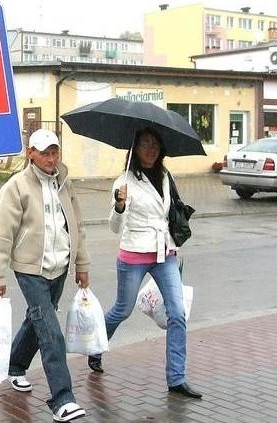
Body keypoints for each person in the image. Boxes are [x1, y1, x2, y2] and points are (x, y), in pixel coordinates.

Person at [87, 126, 202, 399]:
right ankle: (95, 347)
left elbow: (168, 213)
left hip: (165, 255)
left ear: (161, 150)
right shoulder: (123, 182)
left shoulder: (164, 176)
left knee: (178, 313)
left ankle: (177, 378)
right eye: (145, 143)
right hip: (134, 255)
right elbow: (115, 227)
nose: (151, 149)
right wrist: (119, 206)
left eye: (155, 144)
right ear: (135, 148)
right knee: (122, 311)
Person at [0, 128, 91, 422]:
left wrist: (82, 264)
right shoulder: (16, 187)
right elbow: (2, 236)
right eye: (44, 152)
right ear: (30, 154)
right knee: (50, 332)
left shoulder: (65, 184)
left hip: (59, 268)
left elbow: (77, 227)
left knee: (37, 321)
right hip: (30, 270)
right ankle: (62, 398)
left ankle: (15, 365)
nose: (50, 158)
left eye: (54, 152)